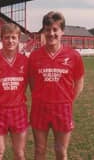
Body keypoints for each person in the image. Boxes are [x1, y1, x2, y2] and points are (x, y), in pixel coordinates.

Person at [29, 11, 85, 160]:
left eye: (55, 30)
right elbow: (32, 82)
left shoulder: (73, 55)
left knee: (61, 151)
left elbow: (79, 81)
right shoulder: (34, 56)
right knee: (39, 150)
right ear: (43, 31)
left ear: (62, 32)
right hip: (40, 107)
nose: (51, 33)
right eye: (48, 30)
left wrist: (68, 100)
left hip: (62, 108)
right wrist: (41, 96)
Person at [0, 23, 29, 160]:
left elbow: (26, 84)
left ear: (19, 39)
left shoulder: (25, 61)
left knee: (19, 152)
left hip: (18, 110)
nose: (10, 41)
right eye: (7, 37)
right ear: (1, 39)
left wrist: (14, 98)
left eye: (14, 37)